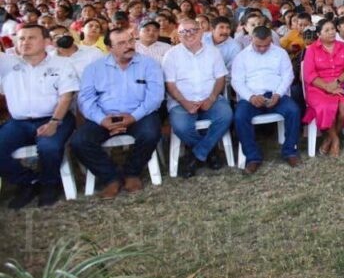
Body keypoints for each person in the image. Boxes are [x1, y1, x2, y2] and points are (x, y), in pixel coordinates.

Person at [72, 27, 164, 199]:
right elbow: (85, 99)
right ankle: (110, 177)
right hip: (105, 116)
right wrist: (101, 120)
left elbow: (155, 97)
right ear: (109, 48)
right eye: (121, 43)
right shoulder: (94, 69)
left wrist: (133, 117)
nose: (128, 46)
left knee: (151, 133)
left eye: (130, 41)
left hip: (139, 114)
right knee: (80, 141)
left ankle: (132, 172)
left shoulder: (149, 64)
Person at [0, 25, 78, 209]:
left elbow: (66, 96)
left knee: (48, 146)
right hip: (19, 123)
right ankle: (28, 182)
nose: (25, 42)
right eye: (21, 38)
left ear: (46, 42)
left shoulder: (61, 64)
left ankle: (50, 184)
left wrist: (54, 122)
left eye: (31, 37)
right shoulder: (7, 65)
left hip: (56, 118)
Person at [162, 20, 233, 177]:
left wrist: (212, 98)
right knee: (181, 126)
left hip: (210, 98)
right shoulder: (171, 55)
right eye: (184, 32)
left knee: (226, 115)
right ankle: (210, 151)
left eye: (193, 30)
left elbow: (220, 79)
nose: (189, 34)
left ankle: (196, 155)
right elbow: (170, 85)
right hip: (181, 101)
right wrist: (185, 103)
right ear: (178, 35)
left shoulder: (213, 52)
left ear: (201, 31)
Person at [231, 26, 302, 173]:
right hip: (251, 96)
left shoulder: (280, 53)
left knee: (294, 111)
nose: (263, 49)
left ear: (271, 40)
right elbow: (237, 81)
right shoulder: (242, 56)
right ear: (251, 39)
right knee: (239, 117)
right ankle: (252, 157)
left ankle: (290, 151)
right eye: (259, 45)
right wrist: (251, 97)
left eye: (266, 45)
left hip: (276, 94)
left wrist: (278, 94)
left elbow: (288, 76)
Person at [302, 18, 344, 156]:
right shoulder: (312, 49)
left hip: (340, 83)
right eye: (327, 30)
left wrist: (337, 82)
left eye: (333, 29)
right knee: (326, 108)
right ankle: (336, 140)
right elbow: (309, 75)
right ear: (319, 34)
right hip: (318, 87)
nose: (332, 32)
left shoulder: (343, 47)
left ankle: (328, 139)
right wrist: (327, 87)